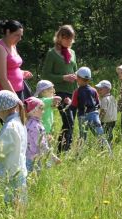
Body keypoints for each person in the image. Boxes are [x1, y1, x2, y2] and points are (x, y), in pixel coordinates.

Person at [0, 90, 27, 206]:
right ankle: (20, 218)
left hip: (11, 171)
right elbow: (14, 141)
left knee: (11, 201)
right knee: (20, 199)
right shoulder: (18, 122)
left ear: (3, 110)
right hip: (19, 168)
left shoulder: (9, 126)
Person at [41, 25, 78, 153]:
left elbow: (74, 70)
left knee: (71, 122)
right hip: (59, 92)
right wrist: (63, 77)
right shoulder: (52, 53)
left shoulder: (72, 52)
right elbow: (45, 75)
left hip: (72, 91)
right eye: (66, 38)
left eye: (71, 39)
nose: (69, 41)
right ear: (59, 37)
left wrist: (77, 86)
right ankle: (62, 151)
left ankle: (64, 148)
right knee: (69, 121)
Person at [0, 20, 33, 121]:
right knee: (13, 124)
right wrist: (15, 100)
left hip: (19, 89)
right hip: (5, 93)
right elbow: (2, 78)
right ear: (8, 32)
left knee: (24, 122)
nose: (20, 39)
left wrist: (21, 72)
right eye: (17, 35)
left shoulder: (13, 45)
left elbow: (12, 67)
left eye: (21, 36)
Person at [70, 67, 111, 154]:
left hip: (82, 116)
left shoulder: (76, 92)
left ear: (80, 79)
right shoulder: (94, 90)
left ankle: (79, 154)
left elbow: (73, 106)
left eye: (77, 77)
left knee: (83, 136)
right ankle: (108, 153)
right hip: (94, 115)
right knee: (100, 135)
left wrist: (68, 103)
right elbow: (98, 103)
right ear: (88, 79)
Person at [24, 97, 61, 173]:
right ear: (33, 111)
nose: (43, 111)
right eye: (41, 108)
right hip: (35, 159)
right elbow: (41, 145)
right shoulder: (35, 126)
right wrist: (53, 157)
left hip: (28, 157)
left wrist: (46, 138)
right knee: (35, 179)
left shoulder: (28, 122)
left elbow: (33, 139)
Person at [95, 80, 117, 145]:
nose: (98, 91)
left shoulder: (104, 99)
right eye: (98, 89)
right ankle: (110, 143)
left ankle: (104, 145)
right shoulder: (112, 97)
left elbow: (103, 111)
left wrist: (99, 119)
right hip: (113, 120)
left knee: (104, 134)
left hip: (106, 120)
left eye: (101, 89)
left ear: (107, 89)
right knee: (109, 132)